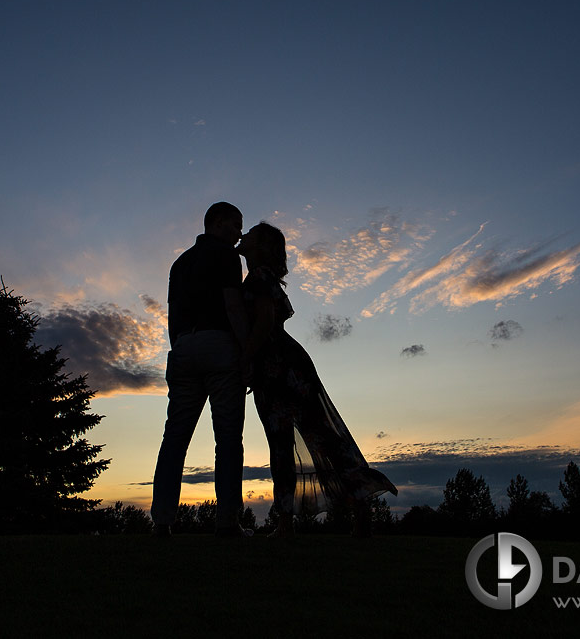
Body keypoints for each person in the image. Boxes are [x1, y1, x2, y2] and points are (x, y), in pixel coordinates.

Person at [237, 222, 397, 537]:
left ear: (261, 246)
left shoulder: (257, 278)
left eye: (251, 234)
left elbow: (266, 321)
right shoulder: (259, 278)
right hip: (284, 366)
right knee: (314, 437)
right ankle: (350, 514)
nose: (243, 236)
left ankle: (290, 524)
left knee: (292, 442)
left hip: (280, 369)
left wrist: (245, 360)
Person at [151, 202, 250, 537]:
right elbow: (233, 305)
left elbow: (172, 317)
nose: (239, 233)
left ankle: (162, 521)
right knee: (227, 438)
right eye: (236, 225)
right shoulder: (226, 257)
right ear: (218, 223)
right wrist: (246, 351)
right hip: (219, 344)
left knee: (175, 436)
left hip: (183, 347)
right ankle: (227, 521)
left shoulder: (180, 263)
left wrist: (179, 346)